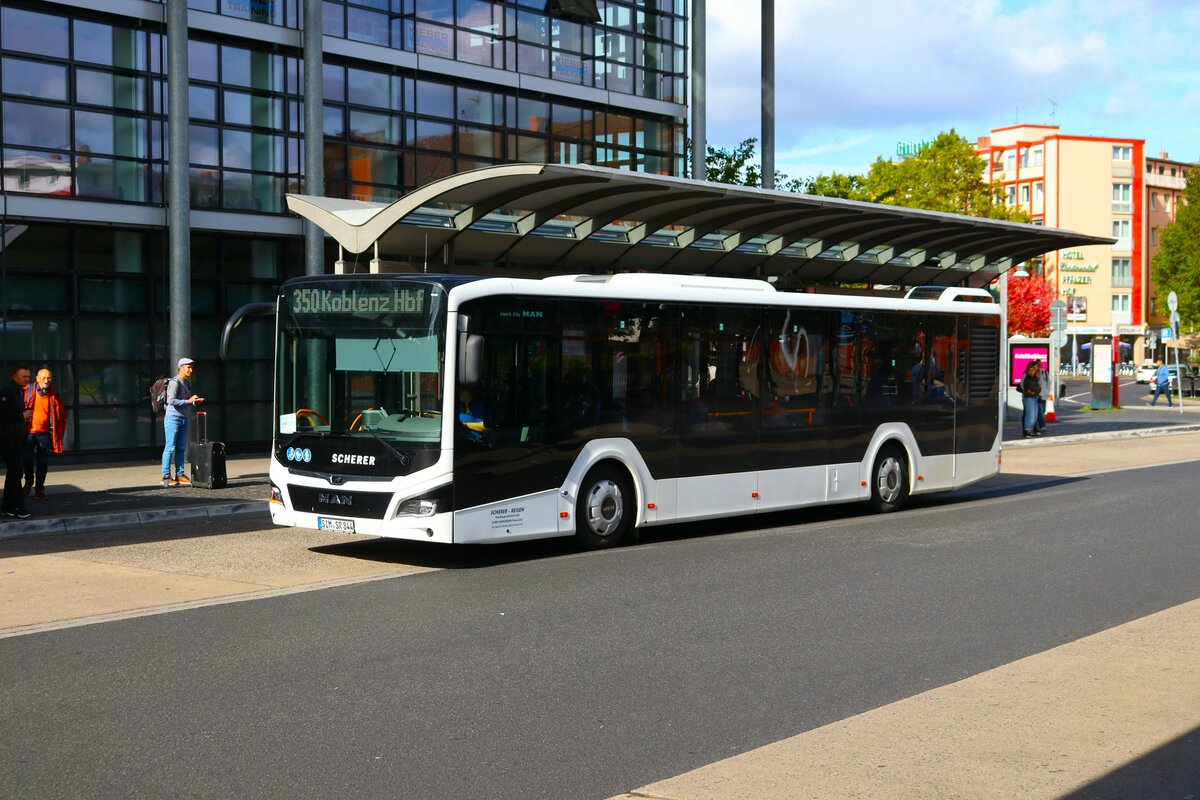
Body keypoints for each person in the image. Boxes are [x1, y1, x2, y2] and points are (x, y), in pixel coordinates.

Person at [22, 368, 67, 500]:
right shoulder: (27, 391)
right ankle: (29, 482)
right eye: (44, 378)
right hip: (29, 433)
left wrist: (58, 433)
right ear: (37, 378)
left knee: (42, 463)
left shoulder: (54, 394)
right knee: (27, 460)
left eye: (49, 378)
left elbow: (61, 415)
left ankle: (40, 489)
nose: (46, 380)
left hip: (45, 434)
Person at [161, 357, 204, 487]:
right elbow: (171, 401)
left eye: (191, 367)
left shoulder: (186, 383)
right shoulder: (175, 382)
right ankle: (166, 476)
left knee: (180, 448)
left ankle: (180, 475)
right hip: (172, 419)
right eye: (188, 367)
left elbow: (185, 401)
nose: (191, 370)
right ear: (180, 368)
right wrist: (188, 401)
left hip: (183, 418)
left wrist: (194, 402)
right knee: (170, 447)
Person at [0, 366, 33, 518]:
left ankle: (7, 506)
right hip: (8, 439)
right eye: (23, 376)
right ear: (15, 377)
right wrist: (22, 415)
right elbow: (3, 414)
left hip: (15, 438)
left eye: (28, 376)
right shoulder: (8, 392)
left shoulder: (19, 391)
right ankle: (19, 507)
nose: (26, 379)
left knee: (14, 473)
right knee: (16, 472)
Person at [1017, 360, 1042, 438]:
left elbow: (1038, 387)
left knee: (1034, 414)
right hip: (1028, 397)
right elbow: (1024, 386)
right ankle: (1027, 431)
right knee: (1028, 414)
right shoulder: (1026, 376)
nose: (1035, 368)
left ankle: (1032, 429)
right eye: (1034, 367)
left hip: (1034, 397)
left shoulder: (1036, 376)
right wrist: (1029, 391)